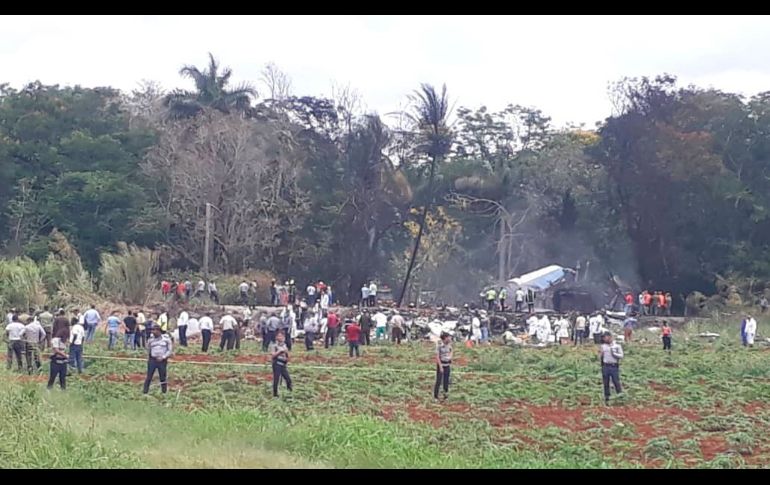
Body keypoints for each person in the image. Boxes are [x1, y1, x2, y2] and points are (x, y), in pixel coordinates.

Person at [143, 324, 173, 395]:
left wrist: (163, 357)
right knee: (149, 376)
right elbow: (148, 349)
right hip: (152, 360)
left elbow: (169, 350)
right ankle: (145, 392)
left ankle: (164, 392)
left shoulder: (166, 339)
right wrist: (150, 357)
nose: (153, 332)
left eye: (154, 330)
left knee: (163, 376)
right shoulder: (150, 340)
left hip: (162, 361)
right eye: (152, 330)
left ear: (159, 331)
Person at [598, 331, 624, 405]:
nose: (604, 339)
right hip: (606, 366)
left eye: (605, 337)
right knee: (606, 383)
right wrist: (600, 355)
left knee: (616, 382)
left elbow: (621, 356)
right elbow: (600, 356)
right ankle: (607, 398)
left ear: (609, 337)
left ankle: (620, 397)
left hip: (614, 366)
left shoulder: (617, 346)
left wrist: (614, 353)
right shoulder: (603, 346)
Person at [270, 331, 292, 397]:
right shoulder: (274, 346)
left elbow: (288, 356)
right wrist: (279, 352)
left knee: (288, 379)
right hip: (276, 364)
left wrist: (286, 355)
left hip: (283, 364)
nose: (280, 338)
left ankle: (289, 393)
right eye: (279, 336)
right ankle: (275, 394)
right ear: (276, 337)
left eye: (282, 336)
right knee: (276, 379)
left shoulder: (285, 346)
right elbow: (273, 356)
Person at [434, 332, 453, 401]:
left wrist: (450, 357)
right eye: (449, 337)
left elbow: (451, 350)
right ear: (445, 338)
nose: (450, 338)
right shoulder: (439, 345)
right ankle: (435, 397)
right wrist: (440, 366)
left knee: (446, 381)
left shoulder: (449, 344)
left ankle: (445, 396)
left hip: (447, 364)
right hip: (441, 364)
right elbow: (437, 356)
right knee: (438, 381)